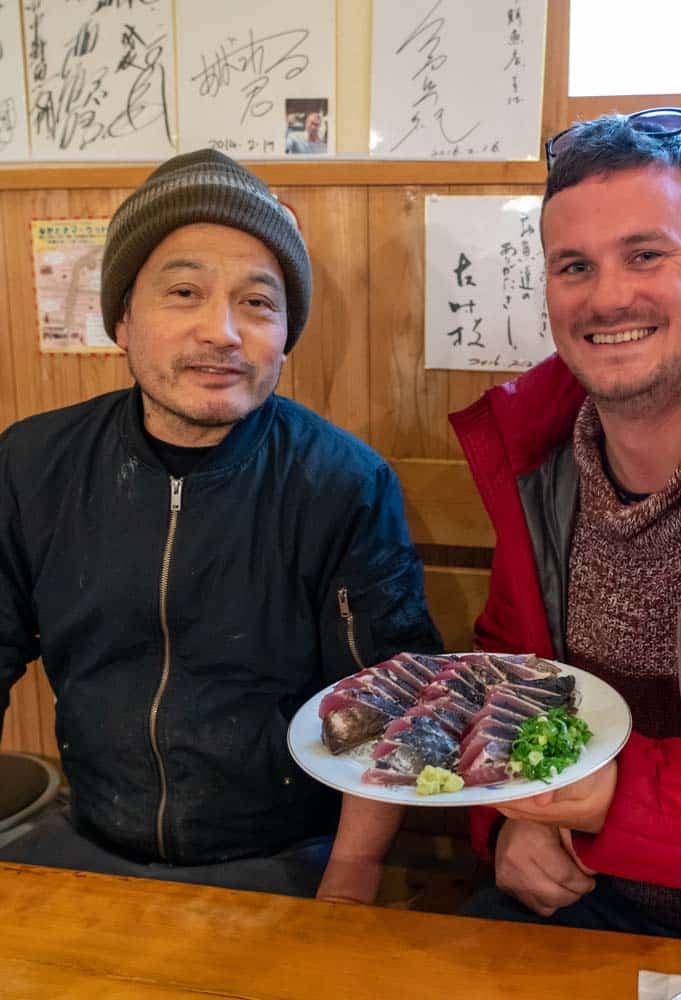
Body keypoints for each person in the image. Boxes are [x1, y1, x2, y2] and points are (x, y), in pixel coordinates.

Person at [0, 148, 441, 896]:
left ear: (285, 335)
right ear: (122, 319)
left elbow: (388, 694)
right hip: (87, 833)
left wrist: (352, 873)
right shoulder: (32, 464)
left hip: (288, 853)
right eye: (183, 292)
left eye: (258, 303)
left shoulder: (343, 484)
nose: (223, 332)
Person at [450, 109, 681, 947]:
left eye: (646, 255)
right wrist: (510, 822)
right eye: (576, 266)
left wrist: (621, 796)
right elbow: (507, 671)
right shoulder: (537, 453)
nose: (608, 296)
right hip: (587, 902)